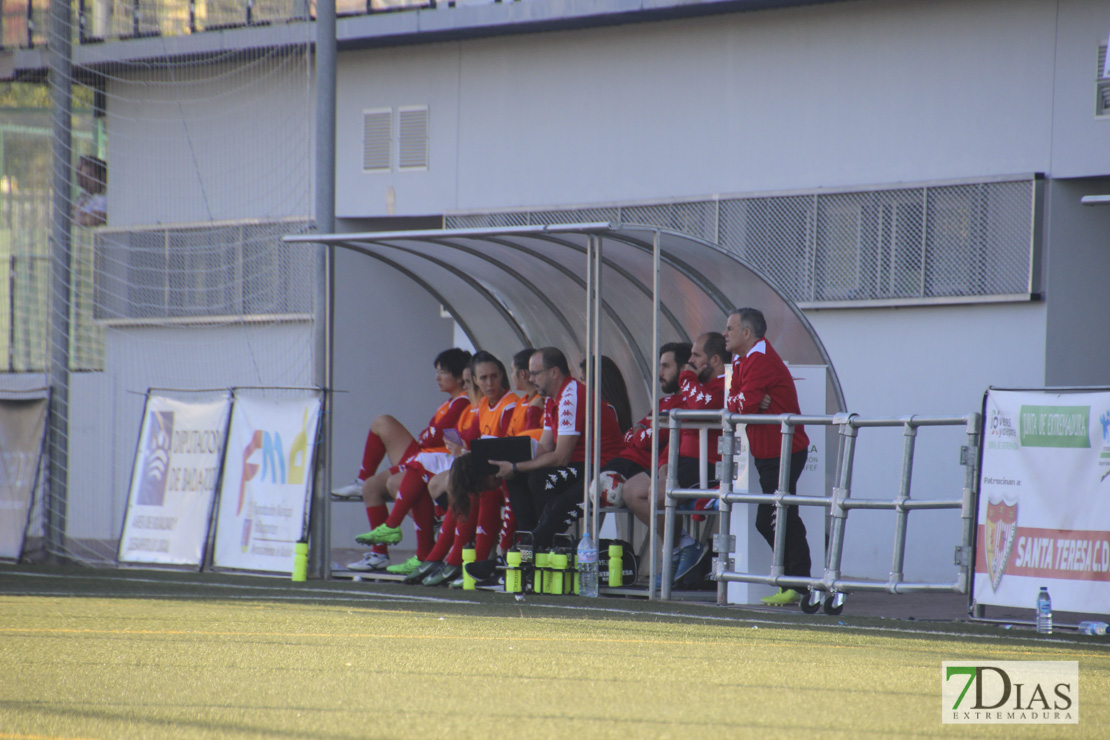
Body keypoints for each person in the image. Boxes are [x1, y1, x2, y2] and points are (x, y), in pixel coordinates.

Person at [342, 348, 472, 574]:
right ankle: (379, 554)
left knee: (395, 476)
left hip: (438, 462)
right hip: (428, 457)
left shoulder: (464, 402)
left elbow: (440, 433)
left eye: (442, 372)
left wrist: (431, 436)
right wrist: (431, 435)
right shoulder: (450, 403)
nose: (436, 377)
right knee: (371, 487)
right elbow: (438, 433)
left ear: (461, 376)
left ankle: (421, 545)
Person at [489, 347, 623, 551]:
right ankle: (532, 540)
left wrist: (517, 467)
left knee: (539, 479)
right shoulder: (553, 398)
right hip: (582, 465)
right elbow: (544, 447)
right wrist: (511, 466)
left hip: (602, 468)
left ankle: (535, 546)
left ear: (554, 372)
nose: (531, 379)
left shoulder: (571, 396)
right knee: (517, 477)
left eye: (535, 373)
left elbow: (560, 457)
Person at [623, 334, 728, 585]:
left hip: (709, 466)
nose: (689, 362)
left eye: (695, 356)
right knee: (631, 490)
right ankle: (683, 544)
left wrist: (687, 376)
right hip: (681, 461)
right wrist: (663, 467)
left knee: (658, 496)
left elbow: (704, 408)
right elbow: (672, 434)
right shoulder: (698, 390)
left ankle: (675, 550)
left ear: (714, 360)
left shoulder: (725, 384)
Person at [724, 307, 811, 606]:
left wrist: (748, 401)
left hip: (785, 451)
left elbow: (742, 404)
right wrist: (746, 400)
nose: (725, 333)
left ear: (746, 333)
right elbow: (734, 401)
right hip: (768, 452)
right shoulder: (743, 360)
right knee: (780, 516)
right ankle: (796, 583)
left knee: (774, 517)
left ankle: (799, 583)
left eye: (730, 328)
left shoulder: (759, 359)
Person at [411, 352, 517, 586]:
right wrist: (462, 449)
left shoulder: (498, 405)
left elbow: (463, 440)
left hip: (503, 477)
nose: (488, 383)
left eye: (493, 377)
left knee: (467, 486)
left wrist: (463, 449)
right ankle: (443, 558)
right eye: (481, 379)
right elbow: (453, 436)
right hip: (478, 470)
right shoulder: (473, 406)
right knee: (449, 482)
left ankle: (457, 561)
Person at [73, 155, 107, 227]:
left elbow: (91, 220)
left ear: (103, 176)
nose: (84, 182)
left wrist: (79, 214)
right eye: (83, 177)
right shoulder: (92, 196)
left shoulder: (107, 196)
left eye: (89, 176)